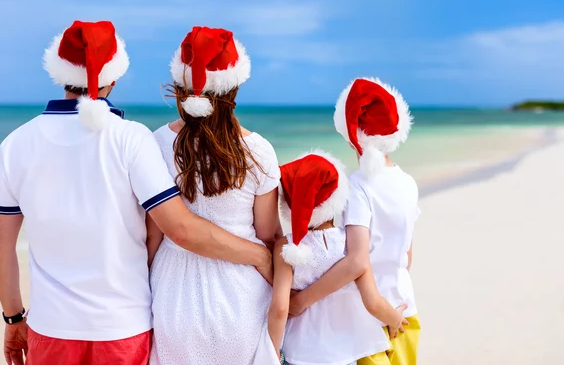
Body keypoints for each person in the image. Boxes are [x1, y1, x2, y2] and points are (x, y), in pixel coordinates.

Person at [0, 20, 272, 365]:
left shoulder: (14, 145)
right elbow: (179, 229)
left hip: (51, 328)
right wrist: (260, 255)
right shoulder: (132, 139)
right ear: (114, 76)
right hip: (123, 327)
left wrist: (13, 318)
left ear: (58, 71)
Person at [148, 26, 281, 365]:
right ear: (233, 87)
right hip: (241, 295)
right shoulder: (257, 151)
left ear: (182, 86)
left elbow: (151, 236)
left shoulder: (156, 144)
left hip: (171, 297)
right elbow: (267, 234)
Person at [288, 78, 421, 365]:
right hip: (406, 305)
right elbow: (407, 256)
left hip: (370, 315)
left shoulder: (357, 187)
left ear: (351, 133)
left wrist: (302, 300)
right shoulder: (408, 182)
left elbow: (356, 262)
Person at [268, 150, 407, 365]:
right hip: (345, 352)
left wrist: (273, 353)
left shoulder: (286, 248)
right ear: (337, 198)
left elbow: (279, 308)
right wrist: (395, 319)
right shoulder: (350, 244)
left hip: (302, 353)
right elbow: (373, 302)